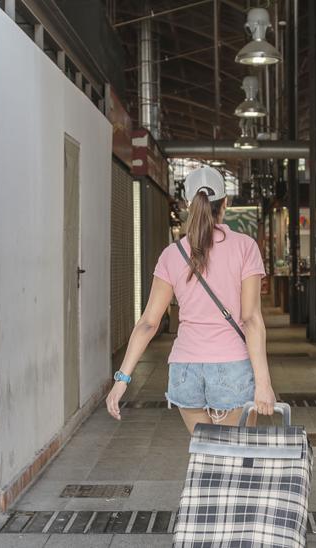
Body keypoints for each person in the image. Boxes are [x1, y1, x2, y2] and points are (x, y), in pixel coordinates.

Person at [105, 166, 276, 431]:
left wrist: (121, 380)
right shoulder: (245, 247)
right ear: (225, 203)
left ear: (187, 203)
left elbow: (149, 323)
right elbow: (251, 319)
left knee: (206, 457)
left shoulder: (172, 255)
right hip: (231, 366)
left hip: (185, 370)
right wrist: (263, 384)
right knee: (236, 460)